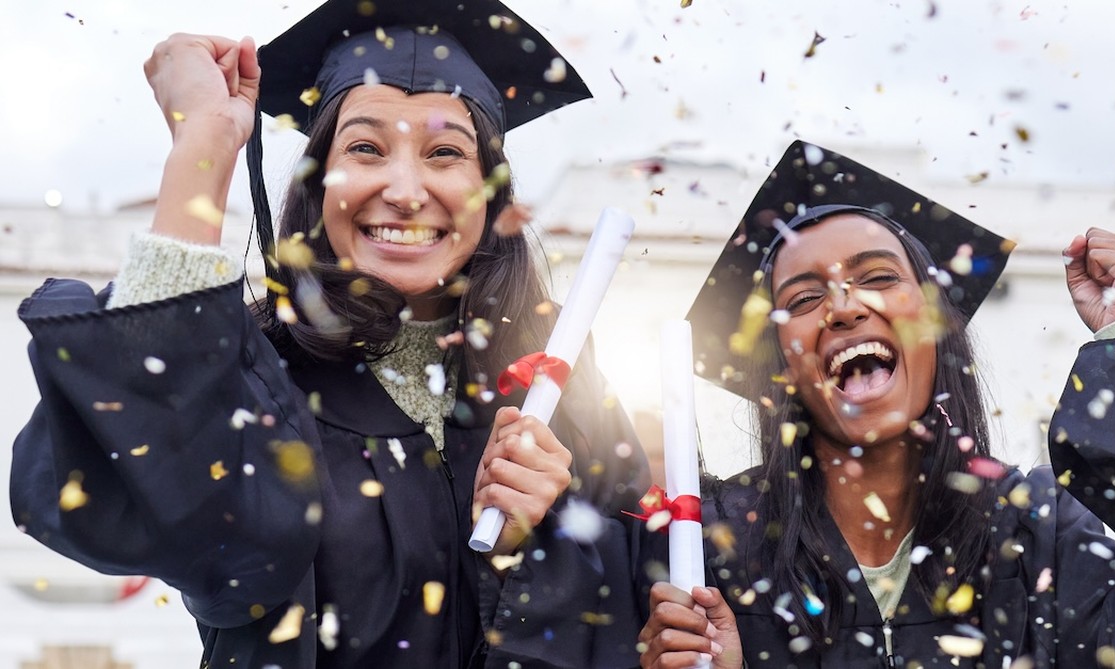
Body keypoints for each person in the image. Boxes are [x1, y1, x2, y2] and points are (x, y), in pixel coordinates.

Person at [10, 0, 649, 667]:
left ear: (487, 193)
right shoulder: (252, 377)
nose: (405, 189)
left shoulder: (556, 377)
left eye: (445, 153)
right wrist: (204, 141)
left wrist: (537, 541)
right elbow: (141, 485)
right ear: (318, 183)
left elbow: (644, 581)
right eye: (366, 147)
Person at [637, 140, 1115, 668]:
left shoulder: (1037, 532)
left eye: (880, 277)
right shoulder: (709, 549)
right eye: (803, 299)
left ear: (937, 330)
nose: (843, 306)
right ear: (782, 366)